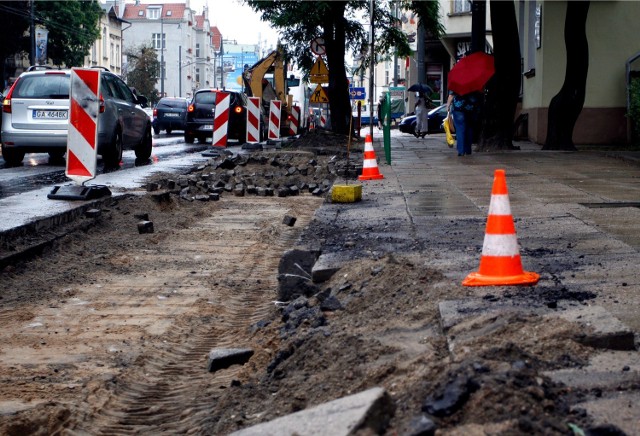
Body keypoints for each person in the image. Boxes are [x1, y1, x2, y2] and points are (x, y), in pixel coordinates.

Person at [447, 90, 481, 156]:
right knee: (469, 129)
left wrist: (448, 106)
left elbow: (451, 95)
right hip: (470, 108)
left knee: (460, 130)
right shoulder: (473, 83)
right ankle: (468, 150)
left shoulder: (456, 82)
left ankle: (461, 151)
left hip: (458, 108)